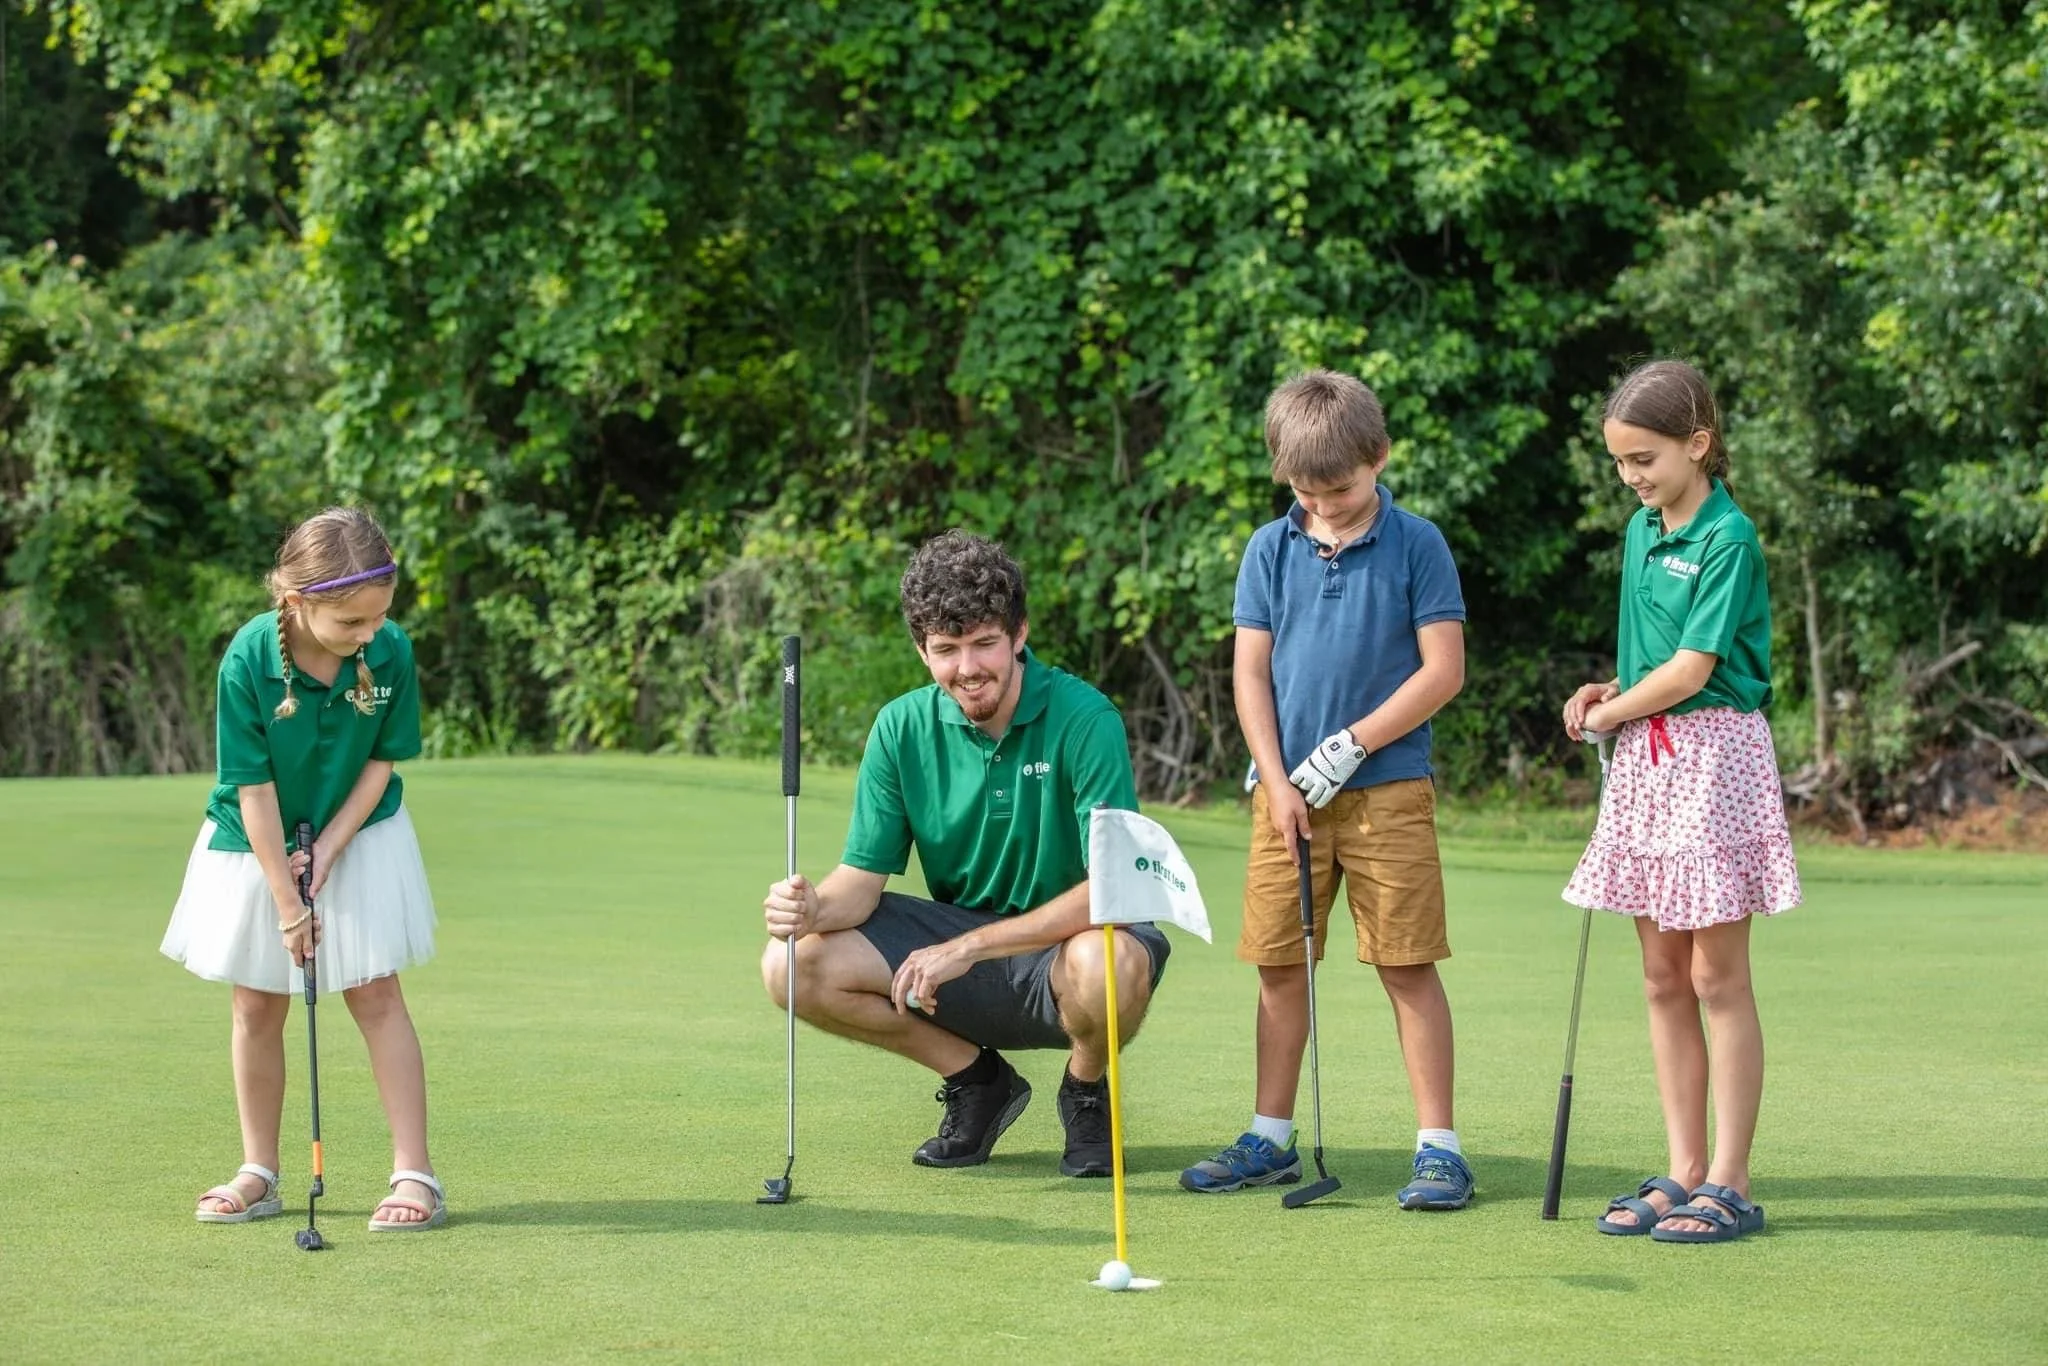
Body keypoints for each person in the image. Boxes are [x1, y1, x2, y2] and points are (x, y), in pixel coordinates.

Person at [761, 531, 1170, 1177]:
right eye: (946, 650)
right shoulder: (901, 727)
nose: (967, 668)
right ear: (922, 650)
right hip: (957, 950)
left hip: (1069, 943)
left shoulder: (1085, 717)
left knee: (1108, 961)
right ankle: (978, 1083)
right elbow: (860, 885)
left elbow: (1112, 886)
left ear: (1019, 634)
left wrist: (971, 949)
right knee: (790, 965)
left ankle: (1086, 1090)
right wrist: (812, 908)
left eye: (984, 643)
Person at [1180, 369, 1473, 1209]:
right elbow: (1250, 677)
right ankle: (1269, 1137)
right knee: (1280, 966)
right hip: (1285, 801)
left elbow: (1442, 671)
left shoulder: (1419, 544)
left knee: (1407, 965)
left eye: (1340, 488)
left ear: (1379, 457)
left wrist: (1351, 744)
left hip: (1388, 794)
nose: (1327, 504)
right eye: (1307, 491)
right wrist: (1275, 780)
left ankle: (1440, 1149)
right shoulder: (1269, 549)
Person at [1563, 359, 1801, 1243]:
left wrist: (1610, 715)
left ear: (1698, 444)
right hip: (1649, 758)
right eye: (1622, 462)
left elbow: (1698, 670)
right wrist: (1606, 693)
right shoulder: (1641, 532)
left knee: (1715, 976)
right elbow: (1653, 657)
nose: (1633, 478)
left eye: (1646, 459)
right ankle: (1684, 1169)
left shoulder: (1728, 538)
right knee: (1663, 977)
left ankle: (1731, 1178)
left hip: (1716, 761)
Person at [162, 507, 445, 1231]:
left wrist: (328, 849)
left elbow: (383, 760)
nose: (369, 635)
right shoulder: (250, 658)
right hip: (252, 836)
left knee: (375, 991)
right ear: (296, 601)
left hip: (358, 824)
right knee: (257, 1000)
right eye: (351, 622)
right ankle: (259, 1170)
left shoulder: (390, 651)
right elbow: (251, 787)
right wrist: (289, 902)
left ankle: (415, 1175)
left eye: (380, 617)